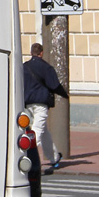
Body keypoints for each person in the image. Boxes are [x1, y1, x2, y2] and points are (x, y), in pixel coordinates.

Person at [23, 42, 64, 173]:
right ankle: (33, 162)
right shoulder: (46, 68)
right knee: (36, 134)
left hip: (27, 103)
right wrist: (65, 95)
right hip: (41, 103)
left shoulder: (24, 67)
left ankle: (54, 158)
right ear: (41, 53)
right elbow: (54, 85)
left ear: (31, 53)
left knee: (43, 132)